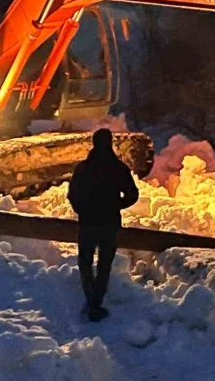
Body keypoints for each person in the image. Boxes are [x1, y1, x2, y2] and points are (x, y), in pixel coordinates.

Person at [67, 128, 139, 322]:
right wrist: (117, 205)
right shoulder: (119, 169)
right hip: (110, 222)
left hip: (88, 222)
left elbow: (72, 195)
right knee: (104, 264)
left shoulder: (83, 168)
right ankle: (97, 301)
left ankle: (90, 299)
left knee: (85, 262)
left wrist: (82, 209)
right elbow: (133, 195)